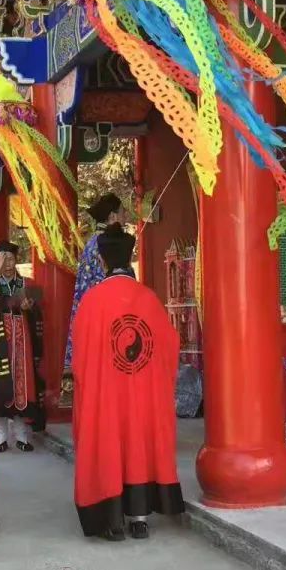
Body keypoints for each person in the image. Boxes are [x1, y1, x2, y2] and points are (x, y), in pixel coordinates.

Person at [70, 223, 183, 541]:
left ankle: (111, 518)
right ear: (128, 259)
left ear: (103, 262)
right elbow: (170, 348)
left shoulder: (91, 303)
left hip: (106, 396)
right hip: (142, 394)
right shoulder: (149, 299)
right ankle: (139, 518)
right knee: (138, 446)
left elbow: (79, 359)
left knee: (109, 445)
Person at [0, 240, 45, 453]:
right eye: (3, 258)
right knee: (1, 387)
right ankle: (0, 438)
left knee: (22, 385)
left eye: (11, 258)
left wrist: (30, 307)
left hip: (21, 341)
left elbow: (38, 304)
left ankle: (22, 437)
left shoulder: (26, 283)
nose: (8, 262)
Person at [61, 193, 125, 405]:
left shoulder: (93, 242)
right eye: (123, 212)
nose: (125, 216)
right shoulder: (107, 243)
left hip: (90, 314)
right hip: (105, 315)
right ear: (113, 216)